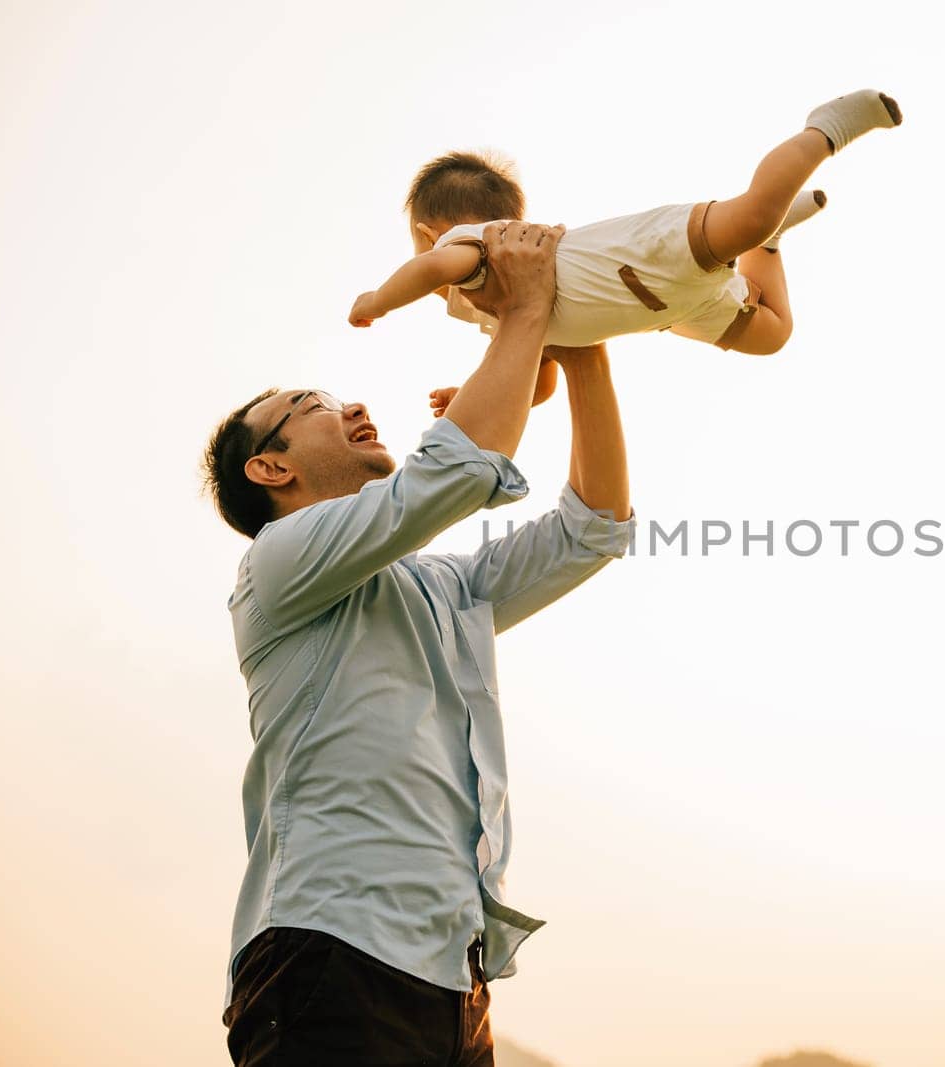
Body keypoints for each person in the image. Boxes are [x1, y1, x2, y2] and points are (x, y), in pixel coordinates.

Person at [201, 222, 635, 1065]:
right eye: (312, 409)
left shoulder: (439, 587)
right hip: (328, 948)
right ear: (270, 471)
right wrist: (530, 306)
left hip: (450, 976)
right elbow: (457, 472)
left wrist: (582, 347)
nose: (351, 405)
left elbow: (594, 528)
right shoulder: (277, 563)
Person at [348, 88, 903, 403]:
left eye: (422, 249)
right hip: (666, 308)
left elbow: (431, 269)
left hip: (638, 256)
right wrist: (466, 394)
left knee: (750, 215)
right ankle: (774, 242)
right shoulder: (503, 309)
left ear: (428, 235)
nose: (431, 261)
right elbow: (536, 385)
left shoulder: (477, 248)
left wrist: (378, 298)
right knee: (770, 335)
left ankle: (825, 130)